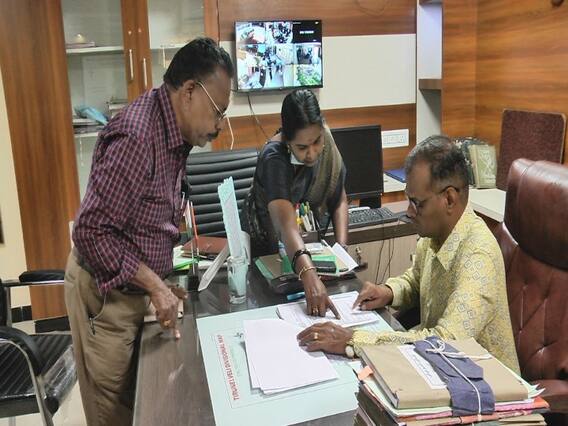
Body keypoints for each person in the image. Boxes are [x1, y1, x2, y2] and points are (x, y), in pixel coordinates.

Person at [64, 38, 233, 426]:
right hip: (105, 294)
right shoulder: (137, 136)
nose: (219, 126)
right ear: (189, 91)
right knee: (116, 412)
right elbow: (91, 232)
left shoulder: (173, 133)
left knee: (148, 401)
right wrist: (155, 285)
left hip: (132, 287)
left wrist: (160, 281)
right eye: (217, 112)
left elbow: (143, 219)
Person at [297, 135, 520, 373]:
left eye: (417, 203)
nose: (409, 212)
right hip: (445, 369)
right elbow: (417, 280)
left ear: (449, 199)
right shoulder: (436, 234)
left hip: (487, 382)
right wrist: (389, 291)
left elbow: (447, 342)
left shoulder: (478, 255)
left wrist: (354, 340)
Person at [241, 89, 348, 319]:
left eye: (316, 142)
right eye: (302, 147)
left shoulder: (325, 139)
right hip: (264, 248)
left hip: (296, 251)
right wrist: (309, 273)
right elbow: (285, 225)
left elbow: (338, 196)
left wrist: (342, 250)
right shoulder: (274, 157)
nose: (312, 154)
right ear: (288, 141)